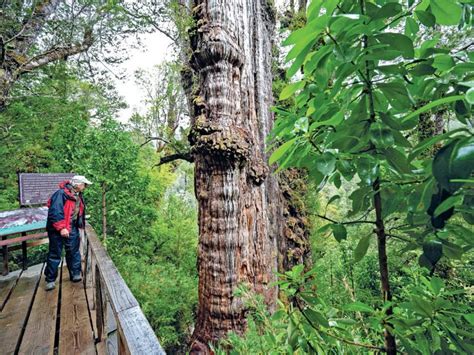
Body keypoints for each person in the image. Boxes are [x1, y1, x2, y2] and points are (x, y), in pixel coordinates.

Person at [44, 175, 92, 291]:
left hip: (72, 227)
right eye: (84, 184)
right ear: (77, 184)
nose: (85, 186)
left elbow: (76, 211)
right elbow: (55, 212)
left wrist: (80, 222)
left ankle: (75, 274)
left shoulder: (78, 195)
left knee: (73, 251)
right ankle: (50, 280)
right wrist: (61, 228)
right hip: (57, 229)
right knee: (55, 253)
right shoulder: (61, 194)